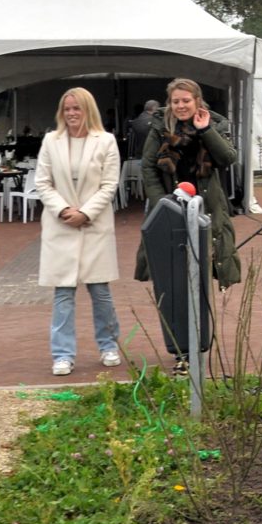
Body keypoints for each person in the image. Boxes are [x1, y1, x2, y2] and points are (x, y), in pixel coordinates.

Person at [136, 78, 241, 368]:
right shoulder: (159, 127)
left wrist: (205, 130)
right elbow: (148, 167)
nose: (181, 106)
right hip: (171, 212)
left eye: (186, 100)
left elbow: (227, 158)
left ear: (197, 101)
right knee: (174, 281)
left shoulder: (214, 124)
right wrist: (163, 205)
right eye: (176, 101)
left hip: (206, 212)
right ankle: (182, 350)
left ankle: (199, 342)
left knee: (203, 276)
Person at [34, 86, 123, 375]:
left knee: (100, 291)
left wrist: (85, 212)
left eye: (76, 108)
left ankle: (108, 345)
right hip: (60, 227)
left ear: (88, 110)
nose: (71, 113)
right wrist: (63, 210)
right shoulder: (51, 140)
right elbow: (43, 182)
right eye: (67, 108)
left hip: (94, 225)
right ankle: (62, 353)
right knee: (63, 293)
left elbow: (109, 184)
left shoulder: (106, 141)